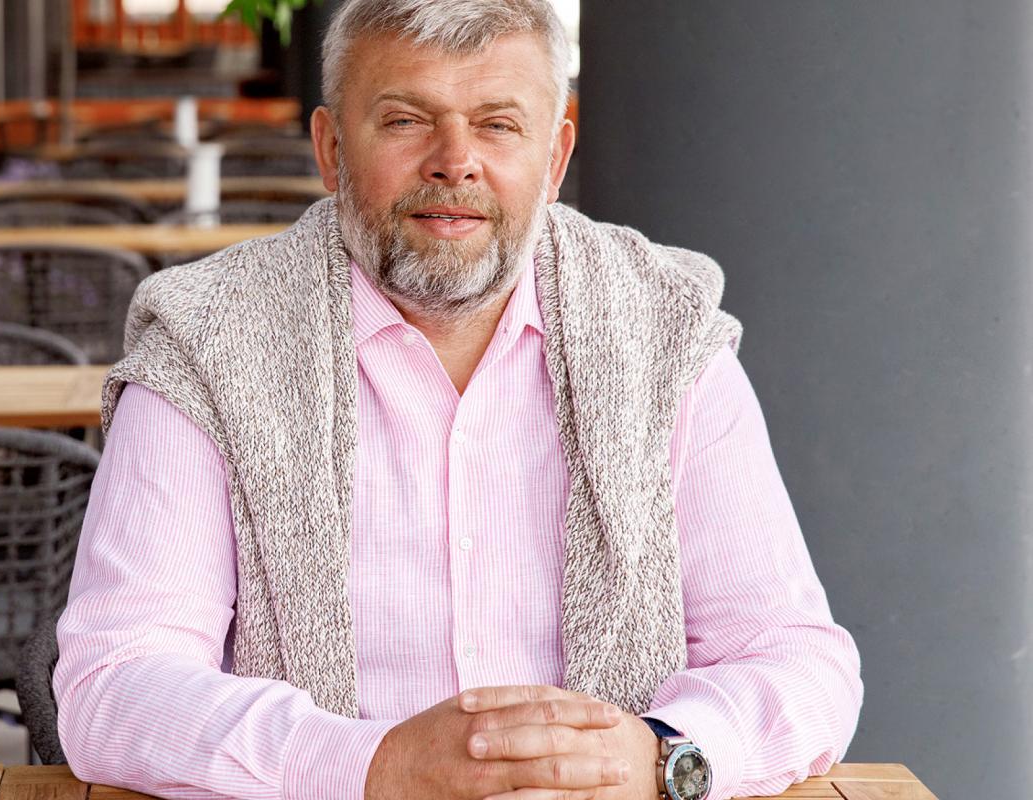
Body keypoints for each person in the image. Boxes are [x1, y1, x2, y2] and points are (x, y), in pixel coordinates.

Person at [53, 1, 863, 798]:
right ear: (331, 150)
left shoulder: (666, 331)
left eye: (498, 124)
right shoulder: (206, 341)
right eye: (406, 121)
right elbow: (114, 685)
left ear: (555, 157)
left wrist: (660, 757)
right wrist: (373, 767)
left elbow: (797, 659)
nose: (455, 161)